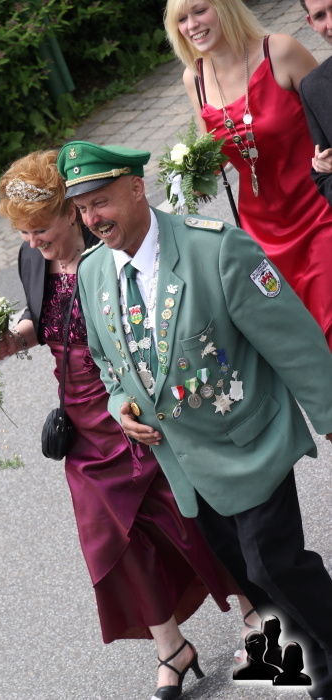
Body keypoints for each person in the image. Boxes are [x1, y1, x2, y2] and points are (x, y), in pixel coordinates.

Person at [62, 139, 332, 700]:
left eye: (101, 202)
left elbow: (292, 338)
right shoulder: (92, 273)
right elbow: (106, 363)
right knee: (252, 577)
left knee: (274, 565)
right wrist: (119, 406)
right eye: (82, 209)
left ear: (137, 188)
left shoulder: (216, 249)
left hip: (250, 440)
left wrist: (329, 414)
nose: (93, 220)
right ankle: (317, 664)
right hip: (186, 465)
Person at [0, 150, 252, 700]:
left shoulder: (111, 248)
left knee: (189, 515)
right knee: (112, 538)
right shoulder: (32, 260)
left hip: (135, 403)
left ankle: (255, 610)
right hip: (82, 422)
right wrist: (14, 339)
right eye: (23, 233)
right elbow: (43, 317)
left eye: (40, 230)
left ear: (71, 213)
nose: (32, 242)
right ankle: (171, 648)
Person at [164, 0, 332, 348]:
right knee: (300, 338)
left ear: (224, 7)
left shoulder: (280, 51)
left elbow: (328, 108)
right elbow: (215, 154)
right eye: (181, 19)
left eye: (199, 11)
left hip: (318, 211)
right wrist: (189, 176)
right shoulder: (195, 78)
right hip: (262, 231)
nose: (191, 25)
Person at [299, 0, 332, 206]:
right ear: (311, 23)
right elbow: (322, 175)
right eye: (320, 16)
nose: (331, 23)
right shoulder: (312, 87)